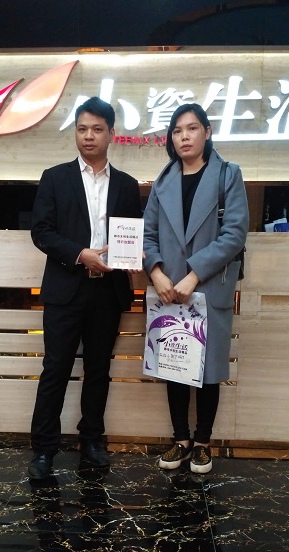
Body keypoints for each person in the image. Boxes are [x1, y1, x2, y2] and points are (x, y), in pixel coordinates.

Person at [28, 97, 142, 480]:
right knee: (55, 370)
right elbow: (42, 232)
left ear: (111, 134)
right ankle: (44, 450)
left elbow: (131, 235)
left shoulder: (127, 185)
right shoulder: (54, 178)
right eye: (82, 129)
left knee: (98, 370)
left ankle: (92, 441)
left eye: (96, 129)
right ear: (75, 133)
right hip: (66, 289)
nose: (88, 136)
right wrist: (80, 255)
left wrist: (134, 253)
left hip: (108, 291)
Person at [143, 103, 249, 474]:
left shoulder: (227, 175)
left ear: (207, 131)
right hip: (169, 290)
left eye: (191, 128)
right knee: (174, 364)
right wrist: (156, 273)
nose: (184, 136)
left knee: (209, 368)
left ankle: (203, 442)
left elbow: (234, 234)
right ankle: (181, 439)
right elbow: (148, 234)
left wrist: (193, 274)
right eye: (177, 131)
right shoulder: (163, 181)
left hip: (208, 287)